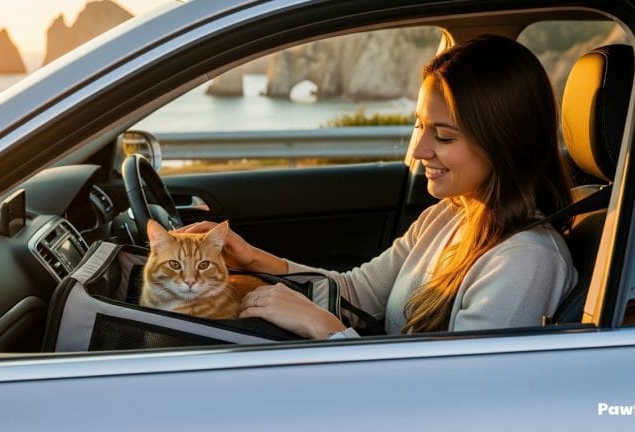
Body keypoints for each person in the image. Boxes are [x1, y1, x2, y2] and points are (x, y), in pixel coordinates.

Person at [178, 35, 578, 339]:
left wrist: (329, 332)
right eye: (420, 125)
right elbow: (358, 291)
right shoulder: (447, 216)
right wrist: (251, 259)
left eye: (444, 136)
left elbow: (456, 397)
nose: (420, 149)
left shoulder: (526, 261)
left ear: (503, 142)